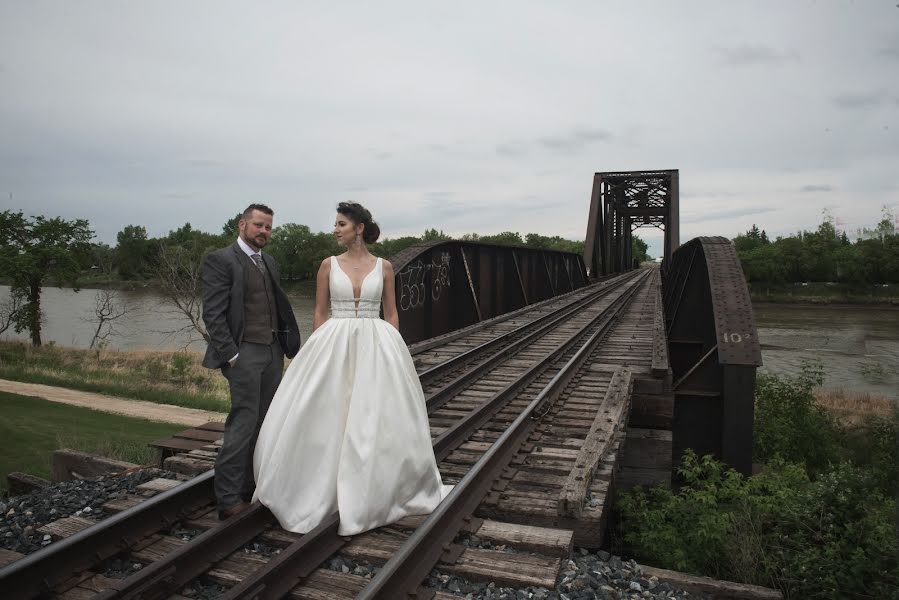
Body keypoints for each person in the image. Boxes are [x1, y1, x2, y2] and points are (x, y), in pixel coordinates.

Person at [252, 201, 449, 536]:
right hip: (334, 342)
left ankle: (378, 487)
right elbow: (319, 312)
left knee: (374, 418)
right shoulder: (327, 265)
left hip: (376, 344)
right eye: (336, 224)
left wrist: (395, 350)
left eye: (341, 224)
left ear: (359, 228)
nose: (335, 230)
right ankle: (316, 487)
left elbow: (392, 313)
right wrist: (316, 352)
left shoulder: (385, 267)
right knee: (328, 412)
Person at [201, 203, 300, 520]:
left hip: (272, 352)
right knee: (243, 423)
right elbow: (213, 314)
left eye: (269, 227)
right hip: (243, 354)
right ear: (242, 224)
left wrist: (283, 345)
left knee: (265, 424)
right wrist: (231, 354)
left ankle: (251, 488)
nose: (264, 232)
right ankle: (228, 499)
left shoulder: (268, 261)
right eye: (259, 225)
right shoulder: (221, 260)